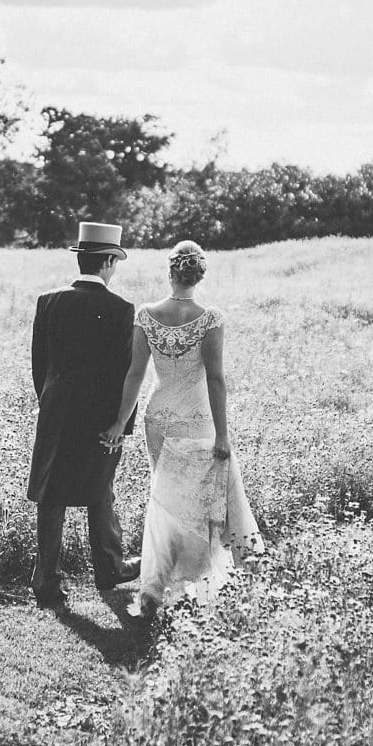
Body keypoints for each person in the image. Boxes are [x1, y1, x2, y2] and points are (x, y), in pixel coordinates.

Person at [102, 240, 261, 615]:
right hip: (198, 419)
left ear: (170, 272)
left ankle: (158, 585)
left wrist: (119, 423)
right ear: (199, 275)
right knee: (198, 503)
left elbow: (136, 374)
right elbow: (216, 380)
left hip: (157, 419)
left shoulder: (146, 315)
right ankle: (194, 584)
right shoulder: (210, 318)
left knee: (166, 501)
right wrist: (223, 434)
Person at [28, 221, 141, 608]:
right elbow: (126, 372)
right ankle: (109, 567)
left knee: (51, 492)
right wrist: (121, 424)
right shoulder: (121, 309)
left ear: (82, 259)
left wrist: (50, 401)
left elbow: (38, 365)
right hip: (100, 414)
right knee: (99, 487)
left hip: (56, 411)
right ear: (108, 261)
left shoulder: (49, 301)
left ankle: (46, 578)